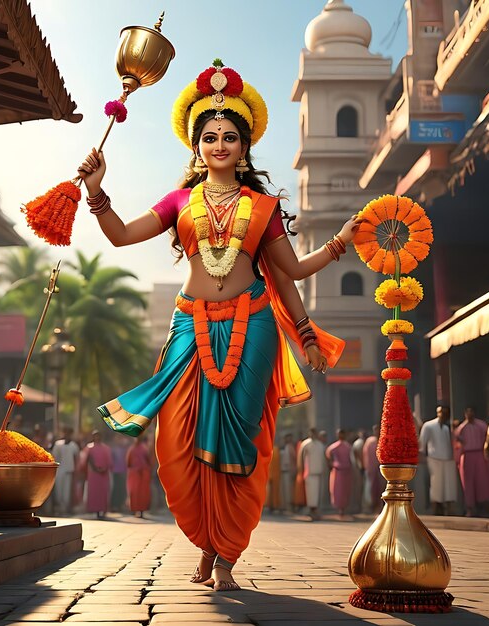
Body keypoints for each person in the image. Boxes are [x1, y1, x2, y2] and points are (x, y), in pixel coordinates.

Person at [78, 60, 359, 591]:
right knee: (178, 439)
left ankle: (226, 557)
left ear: (245, 146)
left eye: (231, 136)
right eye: (210, 136)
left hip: (254, 329)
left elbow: (290, 273)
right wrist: (96, 191)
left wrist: (335, 252)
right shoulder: (179, 201)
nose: (220, 144)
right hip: (190, 326)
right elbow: (119, 235)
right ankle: (204, 542)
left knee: (243, 443)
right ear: (196, 145)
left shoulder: (263, 206)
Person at [453, 407, 489, 517]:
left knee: (483, 480)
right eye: (468, 412)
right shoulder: (461, 428)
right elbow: (457, 444)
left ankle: (484, 506)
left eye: (471, 411)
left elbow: (488, 438)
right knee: (468, 483)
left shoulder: (481, 425)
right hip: (466, 455)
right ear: (465, 414)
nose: (470, 414)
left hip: (479, 454)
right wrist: (457, 459)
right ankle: (470, 508)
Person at [419, 406, 458, 515]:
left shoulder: (446, 428)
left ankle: (448, 508)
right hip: (434, 458)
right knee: (436, 484)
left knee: (448, 485)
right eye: (440, 412)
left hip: (447, 458)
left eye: (445, 413)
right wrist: (421, 457)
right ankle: (436, 509)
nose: (442, 414)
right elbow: (422, 443)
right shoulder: (428, 425)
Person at [298, 428, 327, 520]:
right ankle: (311, 511)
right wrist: (301, 470)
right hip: (309, 473)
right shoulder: (305, 444)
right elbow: (301, 458)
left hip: (319, 472)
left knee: (318, 493)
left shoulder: (320, 445)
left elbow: (323, 459)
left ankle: (316, 511)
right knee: (310, 493)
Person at [52, 426, 80, 515]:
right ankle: (60, 508)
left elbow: (77, 458)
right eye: (65, 432)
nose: (67, 434)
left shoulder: (74, 446)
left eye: (68, 433)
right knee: (59, 490)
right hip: (59, 470)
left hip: (69, 470)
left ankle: (66, 508)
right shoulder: (57, 444)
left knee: (66, 491)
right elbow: (54, 457)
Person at [326, 429, 353, 519]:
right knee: (337, 490)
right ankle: (340, 509)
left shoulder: (347, 446)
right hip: (338, 470)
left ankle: (343, 508)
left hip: (346, 470)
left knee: (344, 490)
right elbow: (328, 456)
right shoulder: (335, 447)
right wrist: (330, 465)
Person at [86, 430, 113, 519]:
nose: (97, 438)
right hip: (93, 474)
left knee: (103, 492)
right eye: (95, 436)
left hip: (103, 474)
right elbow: (86, 459)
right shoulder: (89, 448)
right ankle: (95, 510)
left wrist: (104, 469)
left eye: (98, 436)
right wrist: (94, 468)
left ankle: (103, 510)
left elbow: (109, 461)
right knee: (94, 491)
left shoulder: (106, 448)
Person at [126, 435, 153, 518]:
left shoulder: (144, 449)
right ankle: (134, 509)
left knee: (143, 493)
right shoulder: (132, 449)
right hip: (134, 474)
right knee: (134, 492)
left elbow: (149, 461)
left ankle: (141, 511)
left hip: (143, 474)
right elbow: (128, 462)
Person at [362, 424, 384, 514]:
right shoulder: (370, 441)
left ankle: (380, 507)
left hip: (381, 470)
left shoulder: (383, 440)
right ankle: (371, 507)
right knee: (370, 488)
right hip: (370, 469)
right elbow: (364, 454)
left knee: (381, 488)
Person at [280, 433, 298, 512]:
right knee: (285, 490)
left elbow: (294, 458)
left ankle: (290, 507)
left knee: (289, 490)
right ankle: (286, 506)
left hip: (289, 471)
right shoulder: (284, 447)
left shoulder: (291, 447)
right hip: (284, 471)